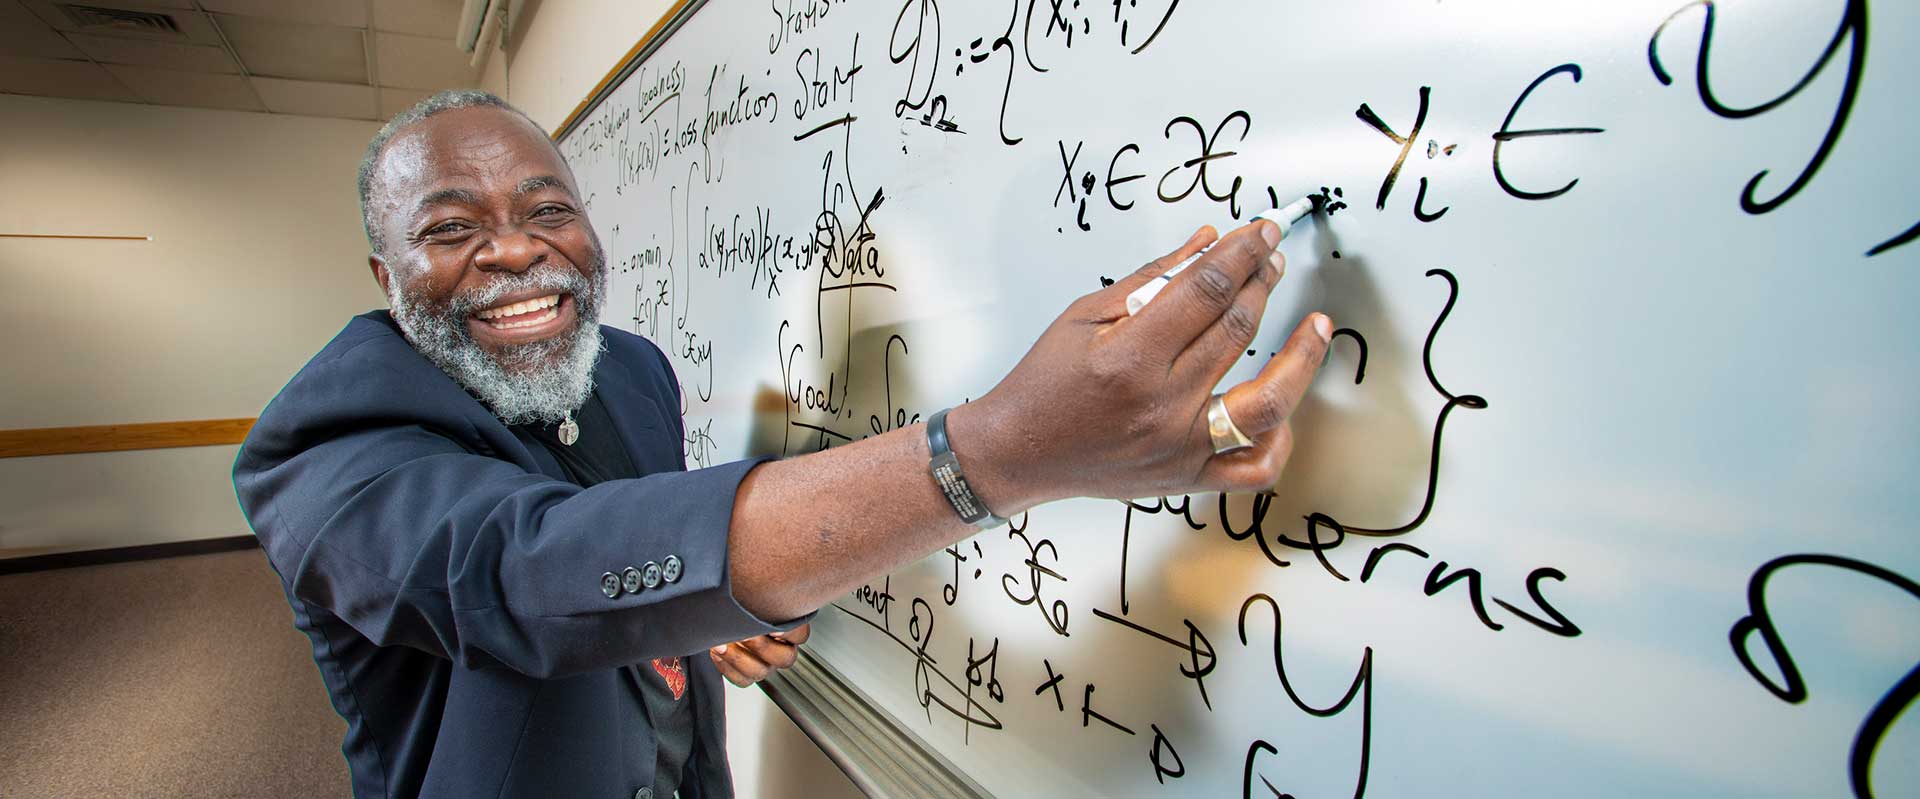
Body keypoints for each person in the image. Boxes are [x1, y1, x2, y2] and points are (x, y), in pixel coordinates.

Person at [234, 89, 1332, 799]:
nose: (517, 250)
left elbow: (637, 560)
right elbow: (526, 570)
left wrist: (701, 625)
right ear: (385, 277)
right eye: (450, 228)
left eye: (547, 208)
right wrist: (999, 452)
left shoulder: (629, 367)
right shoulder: (320, 447)